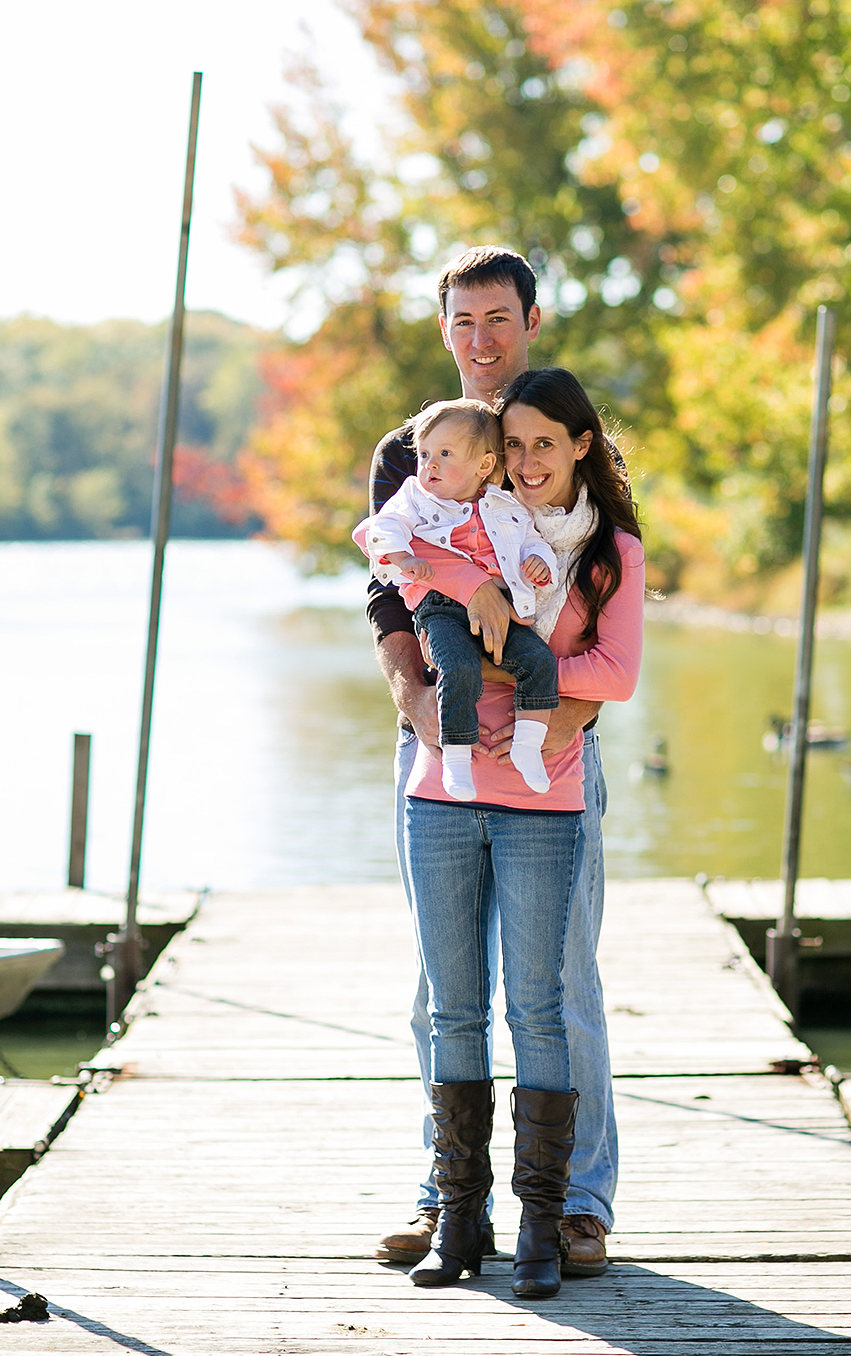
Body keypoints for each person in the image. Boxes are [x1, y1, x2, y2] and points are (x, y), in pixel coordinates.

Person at [366, 247, 621, 1279]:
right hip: (440, 743)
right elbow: (386, 588)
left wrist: (581, 708)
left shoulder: (549, 434)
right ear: (443, 331)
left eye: (498, 319)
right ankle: (443, 1194)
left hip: (552, 746)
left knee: (561, 982)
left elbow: (607, 579)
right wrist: (410, 694)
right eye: (462, 320)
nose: (481, 339)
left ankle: (576, 1204)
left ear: (529, 321)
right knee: (440, 985)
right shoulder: (409, 448)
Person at [354, 399, 560, 798]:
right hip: (441, 609)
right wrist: (403, 556)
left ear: (483, 466)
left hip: (502, 606)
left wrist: (538, 560)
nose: (429, 464)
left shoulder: (504, 505)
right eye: (425, 454)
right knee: (459, 666)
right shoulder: (414, 497)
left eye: (444, 455)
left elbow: (529, 540)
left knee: (539, 661)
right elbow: (377, 530)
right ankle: (457, 758)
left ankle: (528, 747)